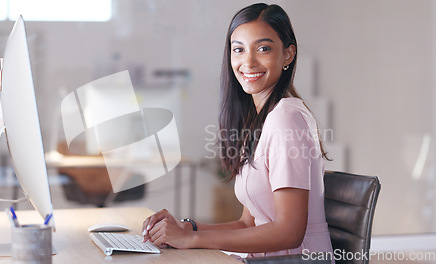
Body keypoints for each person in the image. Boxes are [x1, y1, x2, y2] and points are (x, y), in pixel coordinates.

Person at [142, 3, 334, 261]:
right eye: (239, 50)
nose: (248, 62)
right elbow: (247, 224)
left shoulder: (287, 118)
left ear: (288, 55)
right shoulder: (261, 122)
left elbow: (290, 232)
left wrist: (191, 239)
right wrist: (187, 228)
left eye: (263, 48)